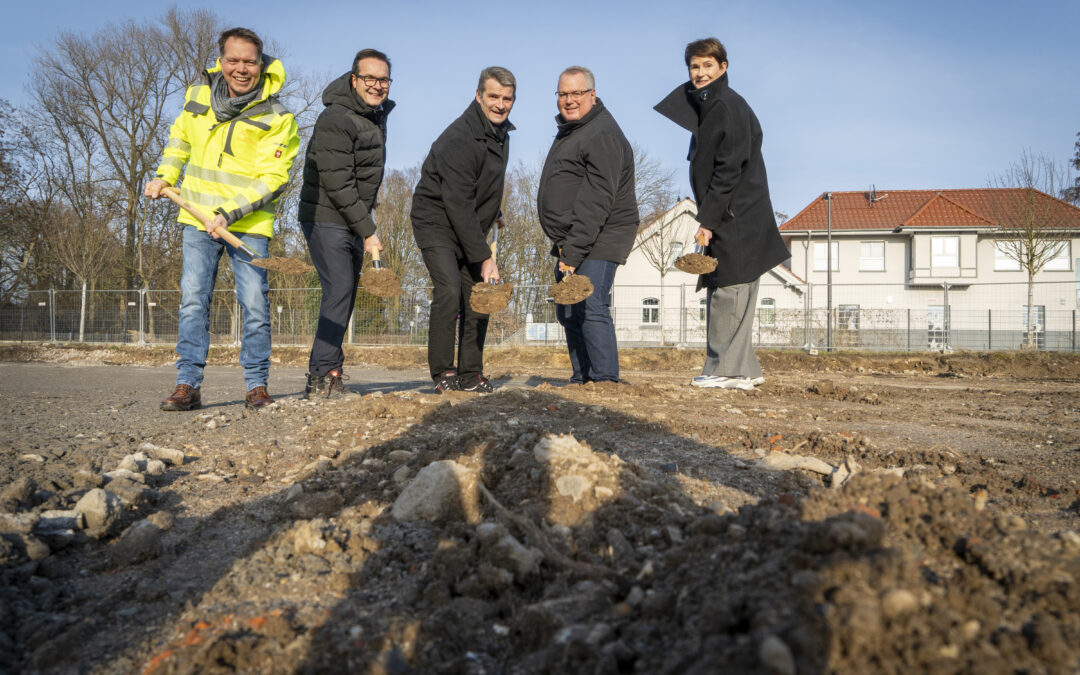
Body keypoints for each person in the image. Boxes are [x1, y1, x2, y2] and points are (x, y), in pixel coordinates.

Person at [144, 27, 299, 410]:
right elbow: (179, 139)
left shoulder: (278, 116)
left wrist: (230, 214)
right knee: (193, 301)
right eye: (233, 60)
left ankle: (256, 385)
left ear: (262, 65)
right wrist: (165, 174)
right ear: (221, 61)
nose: (241, 68)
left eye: (250, 61)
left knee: (255, 305)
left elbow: (273, 178)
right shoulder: (197, 96)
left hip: (247, 226)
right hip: (196, 219)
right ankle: (187, 385)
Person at [654, 38, 788, 390]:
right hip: (730, 213)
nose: (700, 73)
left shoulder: (728, 107)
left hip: (737, 216)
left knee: (730, 291)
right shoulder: (713, 108)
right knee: (728, 288)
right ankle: (744, 368)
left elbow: (729, 169)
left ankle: (726, 370)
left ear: (723, 68)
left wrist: (708, 221)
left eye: (707, 66)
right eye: (695, 67)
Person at [411, 67, 515, 393]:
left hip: (466, 220)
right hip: (436, 221)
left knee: (478, 296)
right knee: (449, 290)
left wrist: (493, 209)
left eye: (507, 98)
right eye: (493, 97)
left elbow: (480, 183)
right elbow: (456, 201)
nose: (500, 104)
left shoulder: (500, 135)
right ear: (478, 96)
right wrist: (484, 256)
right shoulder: (459, 137)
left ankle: (471, 373)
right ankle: (443, 371)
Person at [297, 49, 394, 398]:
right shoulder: (337, 118)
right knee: (339, 289)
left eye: (383, 79)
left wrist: (367, 205)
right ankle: (321, 378)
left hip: (348, 217)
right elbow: (337, 182)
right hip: (325, 215)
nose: (377, 85)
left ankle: (330, 373)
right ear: (354, 79)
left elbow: (358, 172)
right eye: (369, 78)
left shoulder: (372, 117)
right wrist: (368, 230)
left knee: (345, 294)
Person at [537, 66, 638, 384]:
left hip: (601, 233)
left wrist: (573, 250)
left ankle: (605, 380)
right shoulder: (575, 129)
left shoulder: (601, 133)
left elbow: (597, 201)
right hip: (576, 237)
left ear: (592, 95)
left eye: (576, 93)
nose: (569, 100)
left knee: (589, 300)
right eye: (563, 94)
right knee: (567, 307)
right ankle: (581, 378)